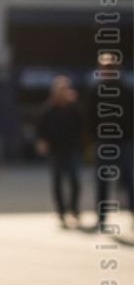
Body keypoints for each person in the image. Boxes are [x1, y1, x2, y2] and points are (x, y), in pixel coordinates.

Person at [85, 54, 134, 229]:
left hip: (121, 142)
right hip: (108, 141)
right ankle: (102, 218)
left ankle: (104, 218)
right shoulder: (97, 90)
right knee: (107, 180)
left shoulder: (125, 90)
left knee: (126, 180)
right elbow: (90, 117)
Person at [35, 75, 85, 228]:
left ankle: (74, 209)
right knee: (57, 183)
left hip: (72, 150)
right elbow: (40, 129)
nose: (62, 93)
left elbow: (82, 127)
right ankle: (61, 212)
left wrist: (82, 144)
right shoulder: (48, 109)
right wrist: (42, 142)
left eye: (64, 90)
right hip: (56, 151)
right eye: (59, 90)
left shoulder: (74, 108)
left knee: (75, 182)